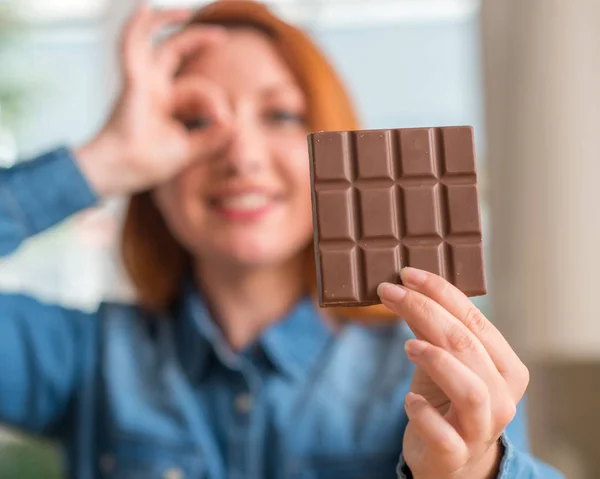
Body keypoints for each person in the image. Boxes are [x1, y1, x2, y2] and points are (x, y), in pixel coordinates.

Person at [0, 1, 563, 478]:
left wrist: (478, 469)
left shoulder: (434, 370)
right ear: (153, 177)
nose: (241, 155)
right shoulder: (86, 357)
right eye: (195, 120)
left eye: (281, 115)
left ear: (336, 151)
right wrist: (101, 162)